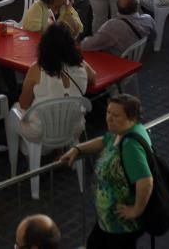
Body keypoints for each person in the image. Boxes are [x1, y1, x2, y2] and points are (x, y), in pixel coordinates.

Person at [60, 94, 152, 248]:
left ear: (132, 118)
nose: (109, 118)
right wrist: (78, 149)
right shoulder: (121, 132)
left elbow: (146, 181)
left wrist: (136, 210)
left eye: (116, 115)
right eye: (108, 112)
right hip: (110, 221)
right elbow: (104, 140)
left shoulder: (131, 146)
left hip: (121, 226)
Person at [14, 23, 96, 141]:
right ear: (71, 45)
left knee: (15, 110)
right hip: (73, 127)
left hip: (41, 131)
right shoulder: (82, 66)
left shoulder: (36, 69)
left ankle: (23, 155)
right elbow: (93, 78)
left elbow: (24, 104)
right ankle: (60, 150)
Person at [81, 0, 155, 57]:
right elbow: (154, 35)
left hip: (115, 61)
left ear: (117, 7)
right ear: (137, 6)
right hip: (137, 57)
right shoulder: (148, 19)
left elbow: (86, 46)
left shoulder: (112, 26)